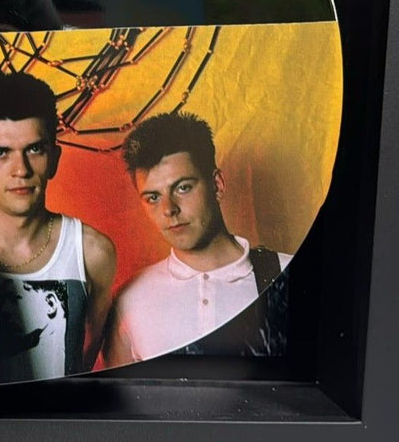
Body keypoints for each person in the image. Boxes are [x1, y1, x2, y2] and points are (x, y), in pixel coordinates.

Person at [0, 72, 117, 381]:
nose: (20, 170)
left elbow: (82, 362)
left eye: (34, 150)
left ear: (54, 159)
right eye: (0, 153)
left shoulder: (92, 252)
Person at [103, 111, 290, 367]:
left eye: (183, 187)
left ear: (217, 185)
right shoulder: (128, 300)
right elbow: (121, 392)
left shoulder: (285, 273)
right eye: (153, 197)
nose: (169, 209)